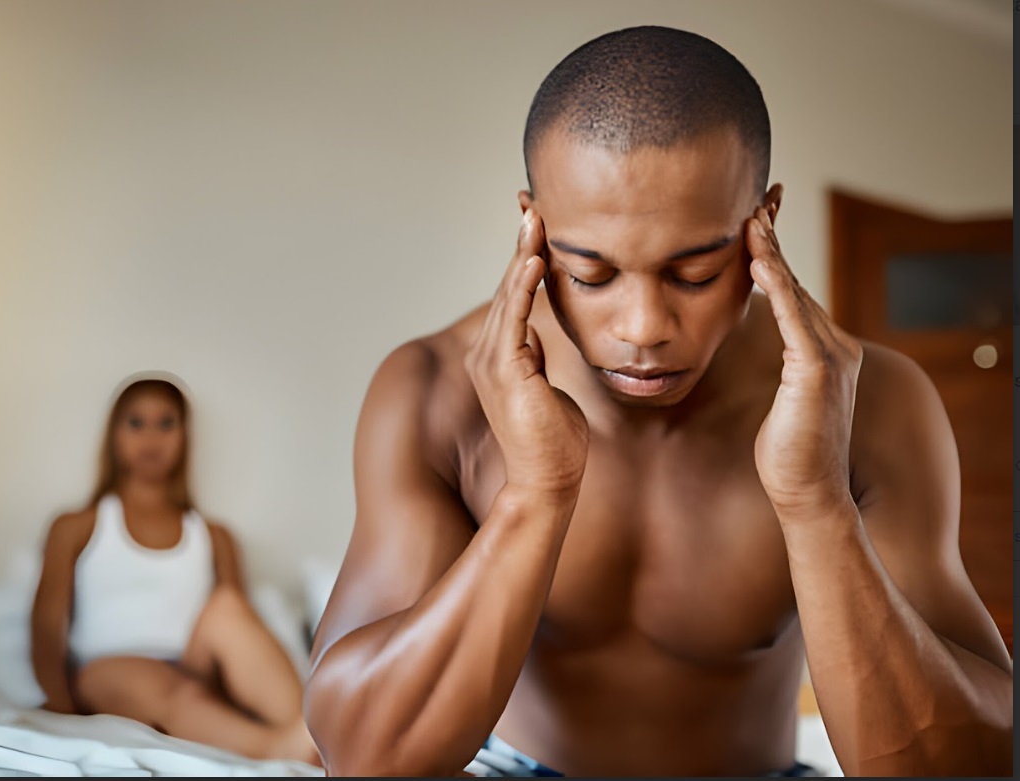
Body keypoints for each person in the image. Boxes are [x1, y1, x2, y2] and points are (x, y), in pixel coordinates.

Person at [302, 26, 1013, 777]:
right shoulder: (434, 389)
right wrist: (536, 497)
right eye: (590, 274)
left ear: (761, 222)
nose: (642, 328)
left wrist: (814, 501)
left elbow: (964, 766)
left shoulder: (872, 400)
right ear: (531, 226)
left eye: (695, 273)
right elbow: (363, 757)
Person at [30, 375, 319, 764]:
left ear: (185, 435)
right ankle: (280, 747)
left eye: (167, 423)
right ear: (114, 433)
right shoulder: (77, 525)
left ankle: (315, 728)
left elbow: (239, 646)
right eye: (136, 422)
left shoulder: (215, 535)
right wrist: (62, 708)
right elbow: (47, 627)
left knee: (229, 607)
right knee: (167, 687)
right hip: (106, 672)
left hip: (193, 670)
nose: (152, 437)